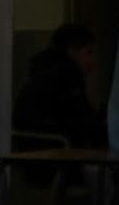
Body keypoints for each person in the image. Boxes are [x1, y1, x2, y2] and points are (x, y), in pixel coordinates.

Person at [12, 22, 105, 150]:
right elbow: (80, 116)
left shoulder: (43, 69)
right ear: (72, 50)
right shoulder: (68, 73)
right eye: (88, 52)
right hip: (54, 147)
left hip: (29, 146)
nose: (92, 60)